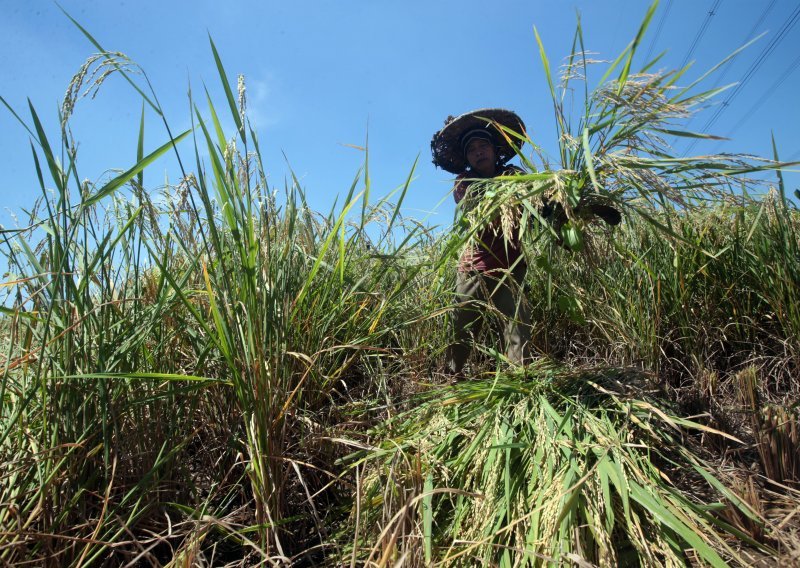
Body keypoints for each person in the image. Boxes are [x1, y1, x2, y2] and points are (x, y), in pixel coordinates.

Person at [430, 108, 531, 376]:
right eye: (471, 149)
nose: (478, 151)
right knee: (462, 328)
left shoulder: (514, 175)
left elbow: (534, 202)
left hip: (512, 266)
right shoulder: (465, 182)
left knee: (516, 326)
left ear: (495, 149)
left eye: (483, 145)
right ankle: (450, 378)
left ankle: (517, 382)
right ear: (466, 158)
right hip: (475, 265)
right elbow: (480, 212)